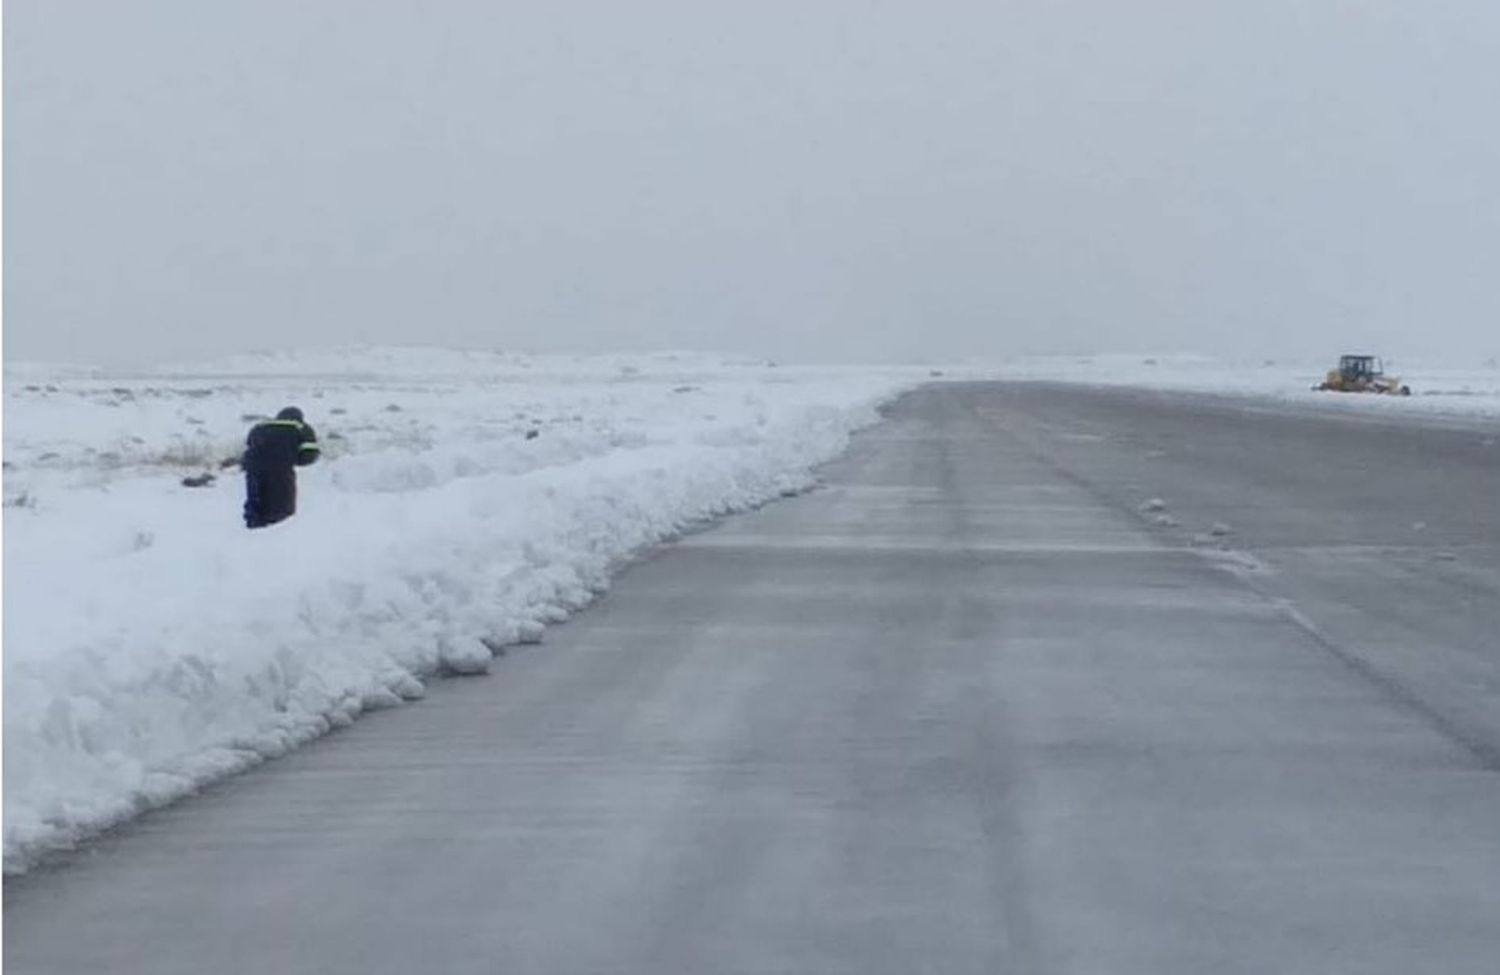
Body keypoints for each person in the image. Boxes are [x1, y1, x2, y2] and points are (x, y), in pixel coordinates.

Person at [242, 406, 321, 528]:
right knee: (281, 506)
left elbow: (249, 443)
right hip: (280, 467)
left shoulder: (260, 426)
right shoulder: (300, 427)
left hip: (253, 465)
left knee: (255, 497)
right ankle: (275, 532)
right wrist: (294, 459)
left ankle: (253, 524)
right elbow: (310, 453)